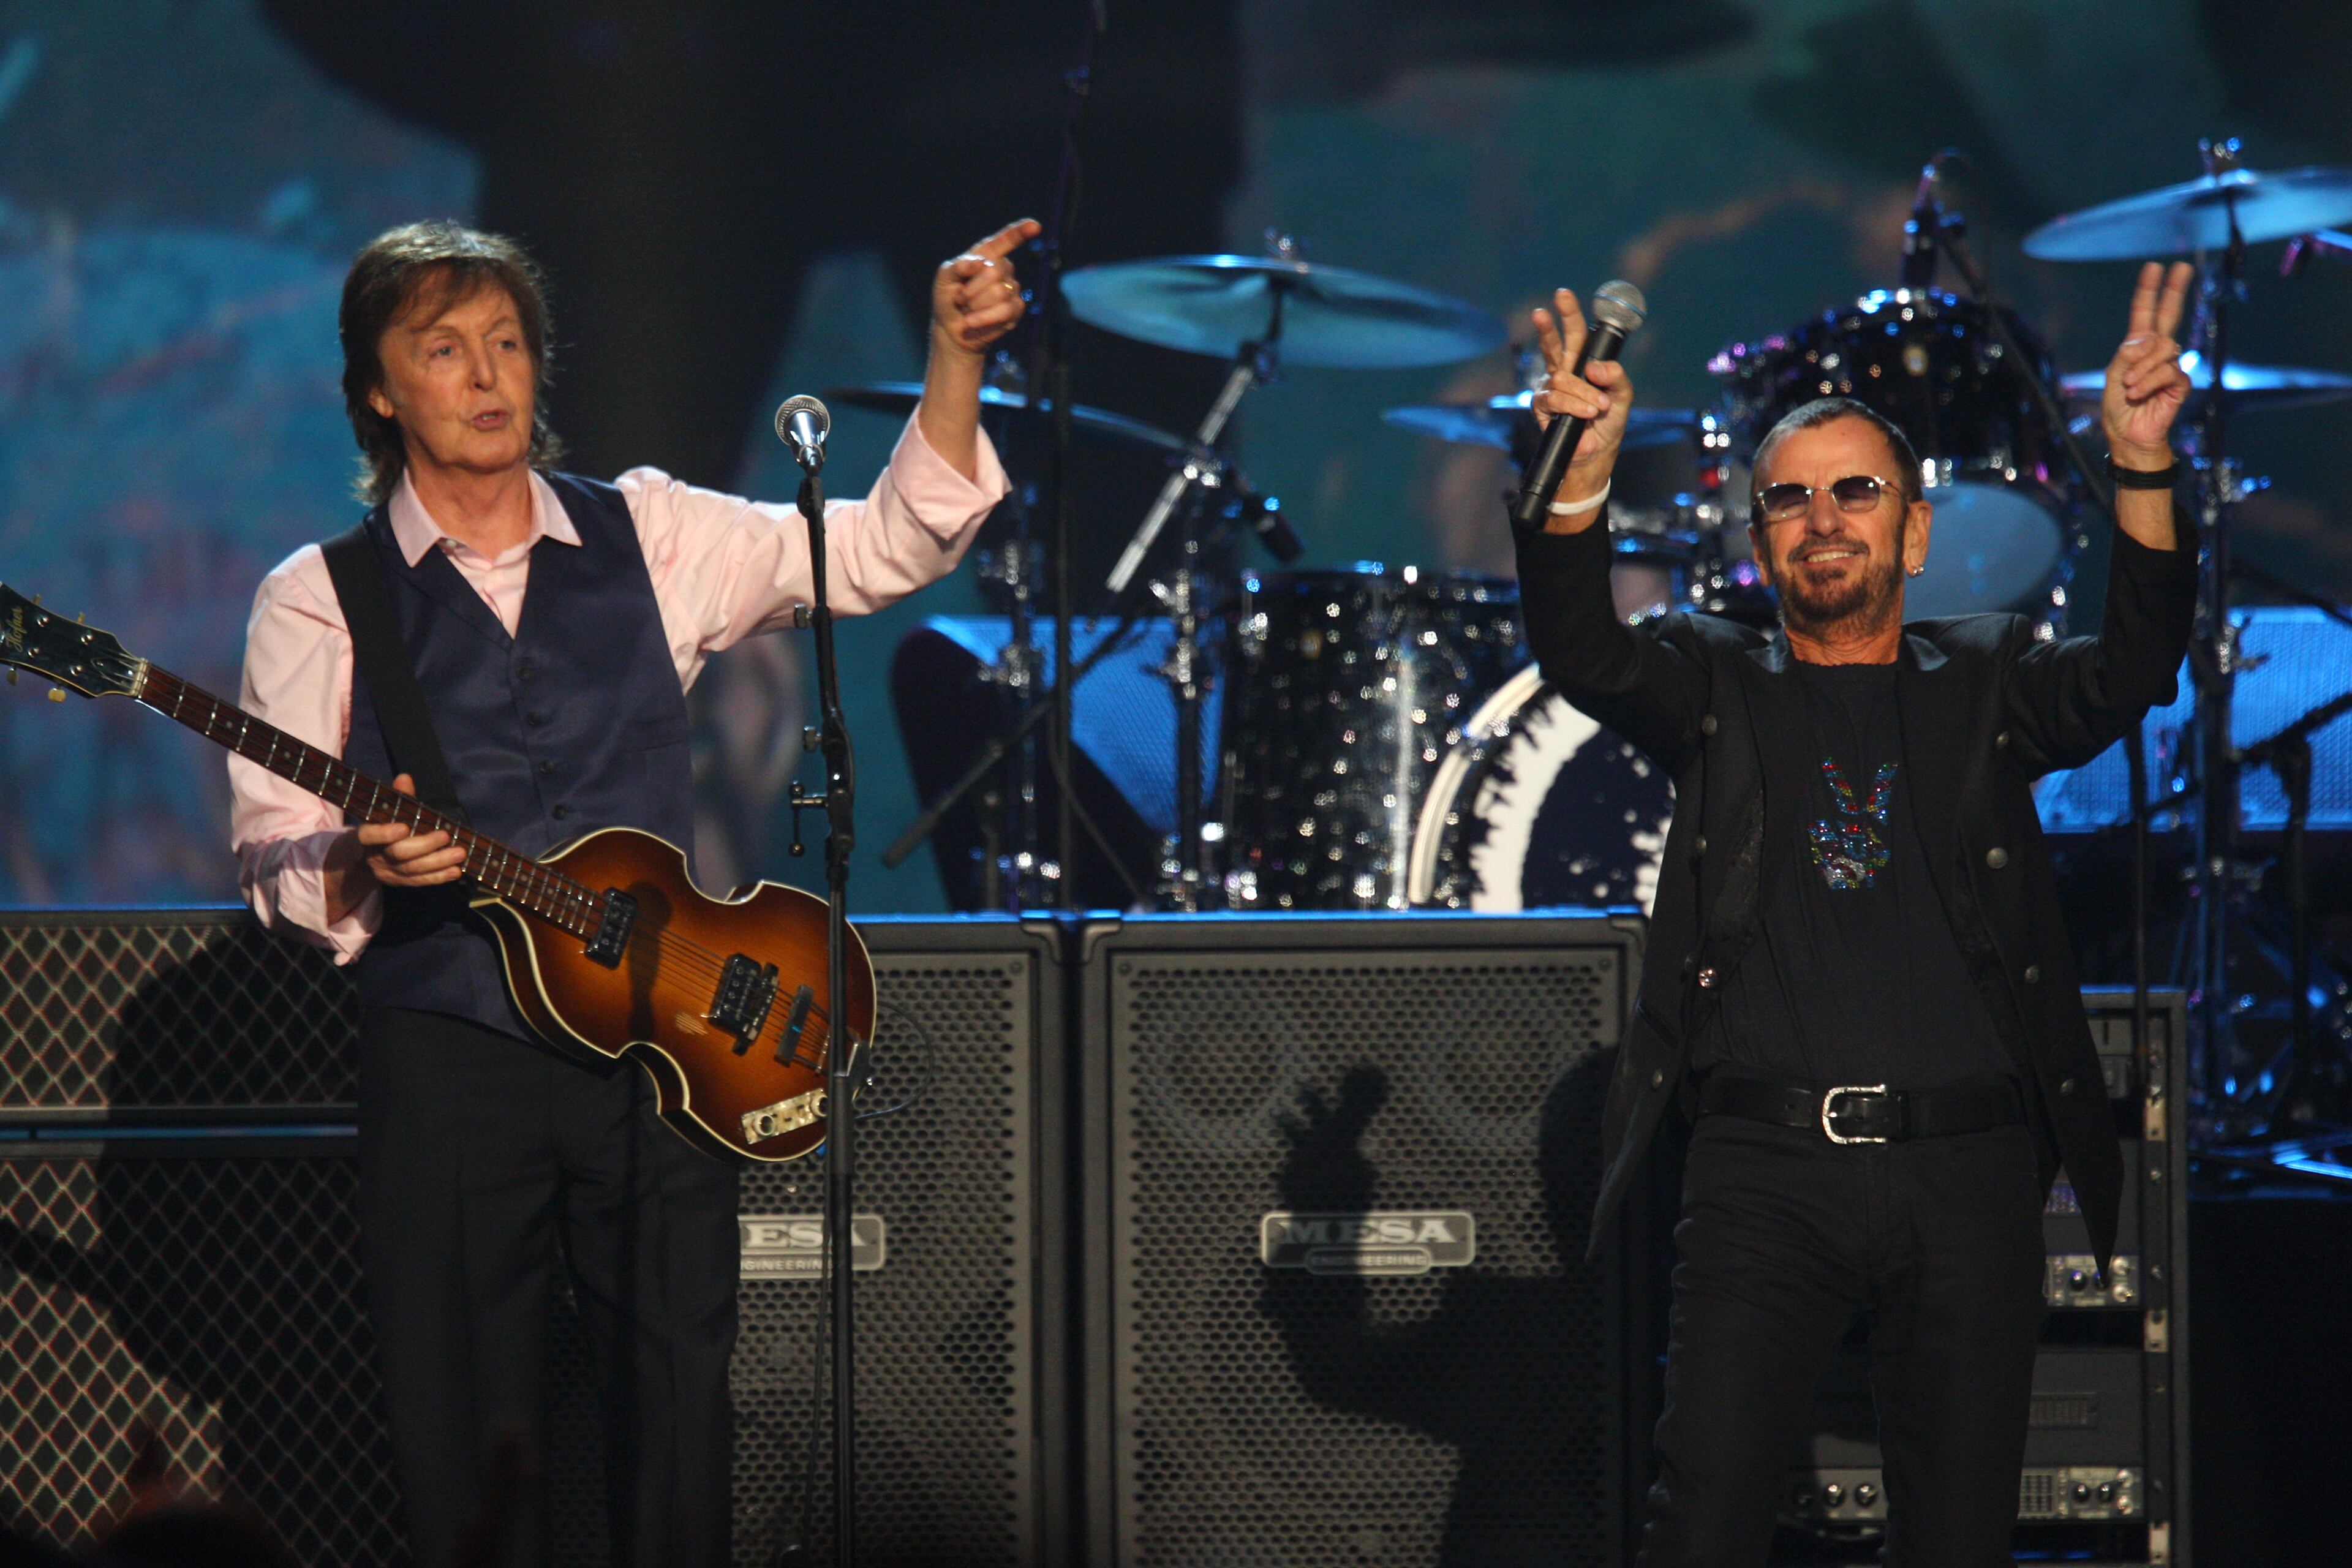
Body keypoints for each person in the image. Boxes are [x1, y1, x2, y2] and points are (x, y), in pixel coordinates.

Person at [227, 215, 1036, 1567]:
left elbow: (886, 545)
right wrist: (364, 861)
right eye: (443, 350)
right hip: (451, 1048)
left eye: (508, 344)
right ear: (379, 389)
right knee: (466, 1423)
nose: (487, 377)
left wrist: (953, 358)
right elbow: (273, 856)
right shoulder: (318, 597)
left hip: (666, 1046)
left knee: (676, 1410)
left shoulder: (651, 529)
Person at [1514, 261, 2198, 1566]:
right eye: (1789, 499)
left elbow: (2133, 669)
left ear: (1918, 530)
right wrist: (1581, 472)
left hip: (1972, 1171)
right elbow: (1582, 651)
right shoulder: (1713, 677)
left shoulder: (1989, 673)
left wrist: (2141, 468)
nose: (1822, 519)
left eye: (1855, 492)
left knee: (1955, 1537)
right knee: (1702, 1521)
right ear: (1758, 538)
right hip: (1764, 1176)